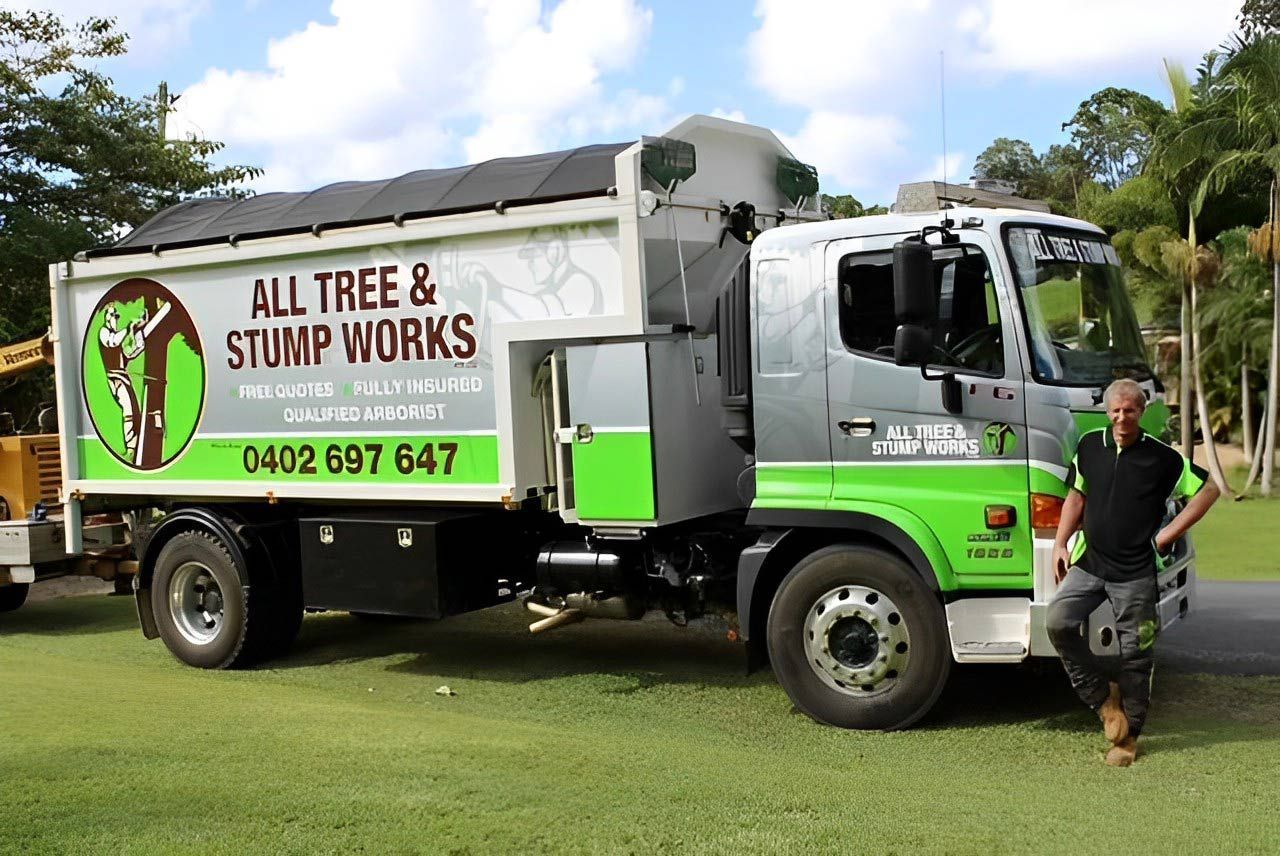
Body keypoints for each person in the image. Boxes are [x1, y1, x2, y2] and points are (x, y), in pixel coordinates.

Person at [1047, 378, 1219, 766]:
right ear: (1108, 412)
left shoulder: (1161, 457)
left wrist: (1166, 536)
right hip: (1089, 563)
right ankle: (1102, 699)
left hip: (1136, 573)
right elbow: (1077, 494)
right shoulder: (1090, 445)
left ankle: (1128, 739)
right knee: (1058, 622)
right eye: (1116, 410)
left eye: (1131, 410)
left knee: (1136, 655)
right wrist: (1060, 543)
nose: (1123, 417)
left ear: (1141, 412)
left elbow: (1208, 491)